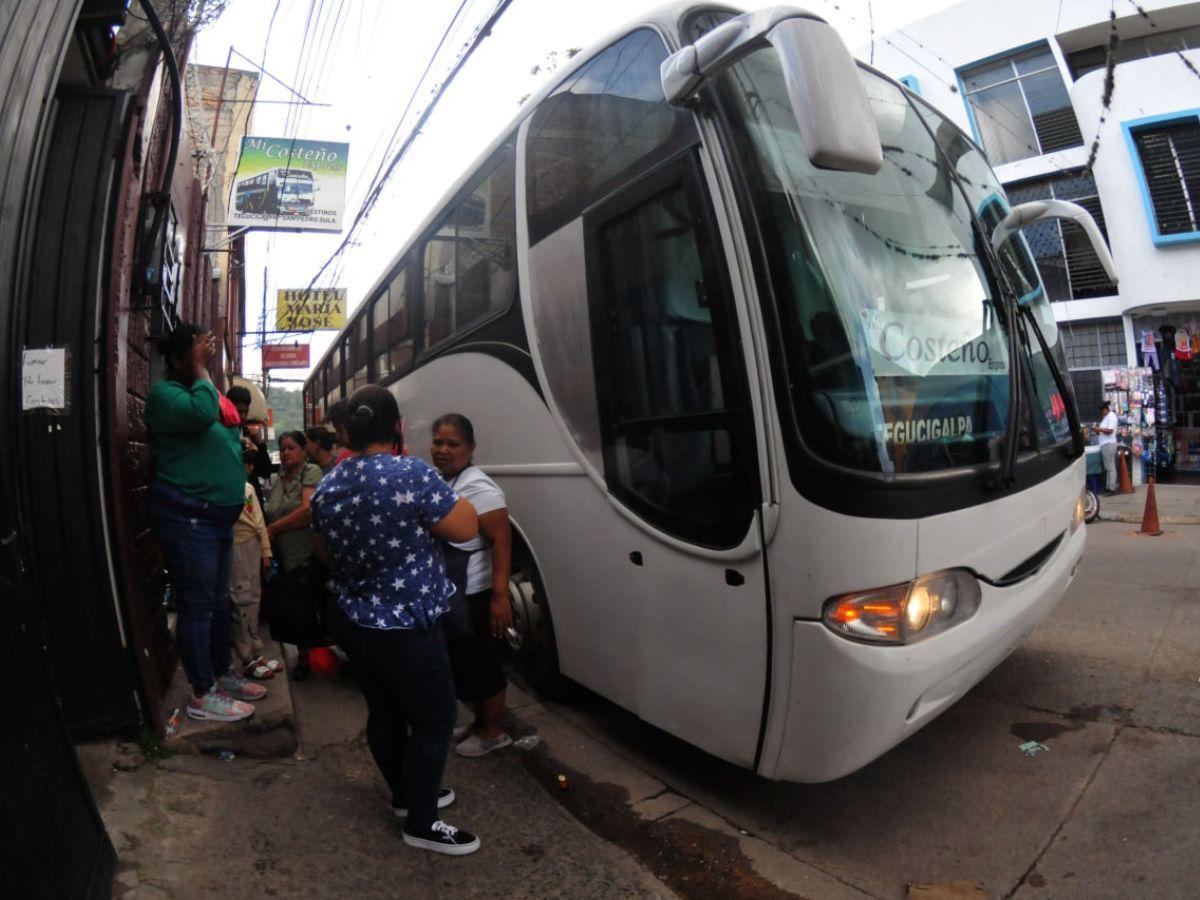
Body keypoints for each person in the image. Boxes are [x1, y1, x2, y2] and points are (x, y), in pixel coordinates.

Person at [311, 385, 482, 856]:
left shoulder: (329, 483)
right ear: (398, 428)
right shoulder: (411, 474)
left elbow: (323, 552)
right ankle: (423, 823)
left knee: (384, 712)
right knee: (434, 719)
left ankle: (407, 796)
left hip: (354, 619)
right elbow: (466, 529)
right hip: (408, 625)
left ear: (349, 432)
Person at [146, 323, 267, 721]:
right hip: (188, 518)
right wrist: (200, 370)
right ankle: (201, 694)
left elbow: (223, 420)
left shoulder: (203, 391)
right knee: (197, 607)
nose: (205, 362)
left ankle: (220, 674)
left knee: (216, 604)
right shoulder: (167, 394)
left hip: (216, 520)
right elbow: (201, 415)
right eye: (198, 355)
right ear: (179, 359)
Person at [430, 414, 514, 758]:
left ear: (470, 448)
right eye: (438, 442)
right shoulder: (444, 480)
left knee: (482, 661)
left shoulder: (479, 487)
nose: (443, 450)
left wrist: (500, 597)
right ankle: (479, 723)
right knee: (463, 659)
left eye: (453, 444)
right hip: (455, 592)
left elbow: (502, 541)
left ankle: (493, 731)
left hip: (477, 592)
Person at [264, 430, 323, 679]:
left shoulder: (310, 473)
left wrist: (275, 528)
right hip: (283, 557)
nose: (287, 452)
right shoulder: (279, 479)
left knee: (307, 607)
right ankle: (303, 656)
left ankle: (306, 660)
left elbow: (308, 510)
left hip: (306, 553)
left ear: (303, 450)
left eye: (292, 447)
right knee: (291, 608)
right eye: (283, 448)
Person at [230, 447, 281, 680]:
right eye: (245, 463)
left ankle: (257, 651)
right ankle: (246, 657)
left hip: (251, 546)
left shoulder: (248, 488)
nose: (249, 468)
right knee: (240, 599)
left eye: (250, 464)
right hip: (236, 546)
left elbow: (259, 522)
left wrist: (265, 551)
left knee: (254, 598)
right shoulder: (227, 487)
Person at [227, 385, 272, 488]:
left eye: (245, 411)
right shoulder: (222, 435)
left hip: (248, 496)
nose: (242, 416)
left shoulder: (251, 436)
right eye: (238, 411)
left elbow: (265, 472)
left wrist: (260, 445)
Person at [1097, 401, 1119, 493]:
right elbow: (1103, 431)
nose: (1100, 413)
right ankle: (1108, 487)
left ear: (1105, 409)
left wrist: (1099, 429)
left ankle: (1111, 488)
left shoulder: (1112, 416)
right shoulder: (1106, 417)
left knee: (1110, 467)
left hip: (1108, 444)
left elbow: (1110, 430)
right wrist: (1097, 431)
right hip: (1104, 444)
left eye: (1101, 411)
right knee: (1108, 467)